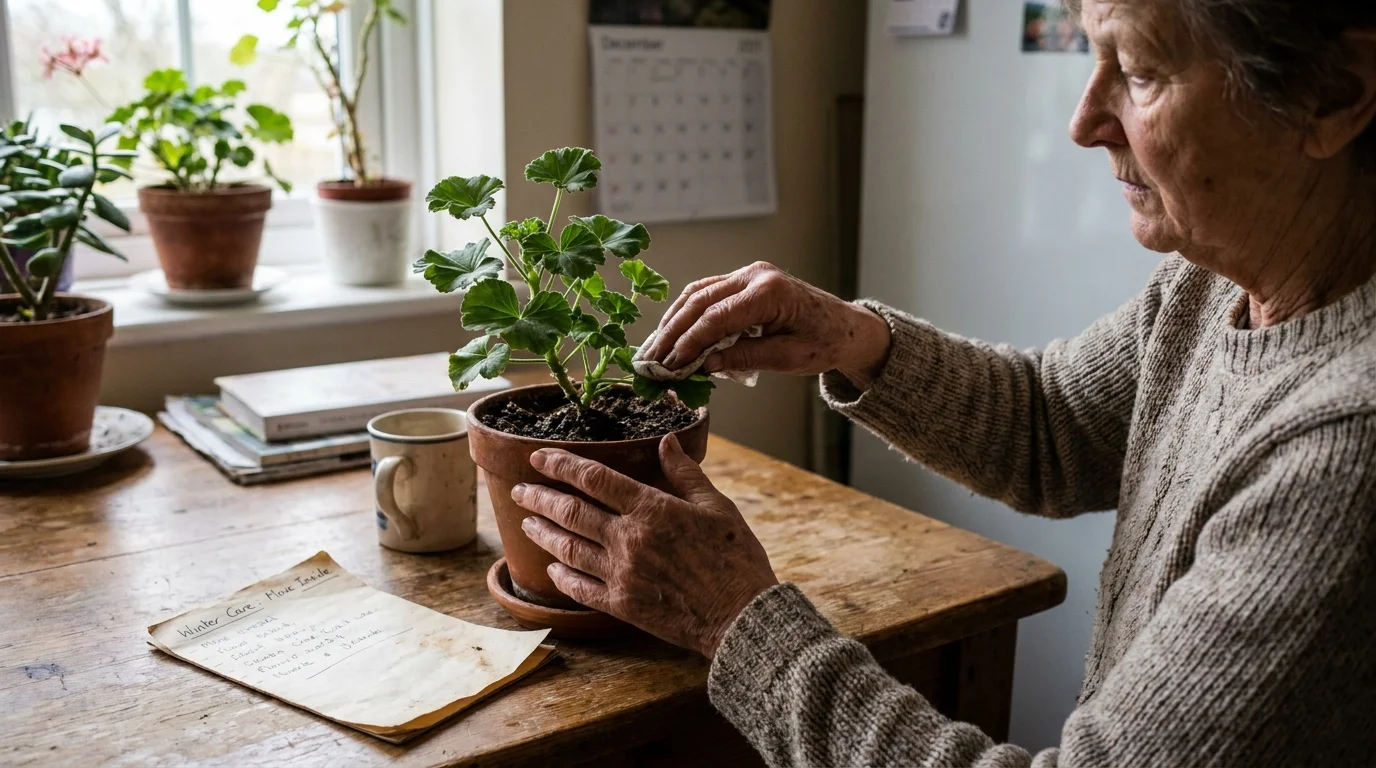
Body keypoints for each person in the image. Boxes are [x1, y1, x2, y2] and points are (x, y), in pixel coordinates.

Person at [512, 0, 1376, 764]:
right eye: (1091, 53)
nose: (1083, 121)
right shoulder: (1212, 285)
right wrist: (852, 338)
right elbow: (1053, 426)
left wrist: (735, 620)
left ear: (1335, 93)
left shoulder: (1346, 451)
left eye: (1141, 71)